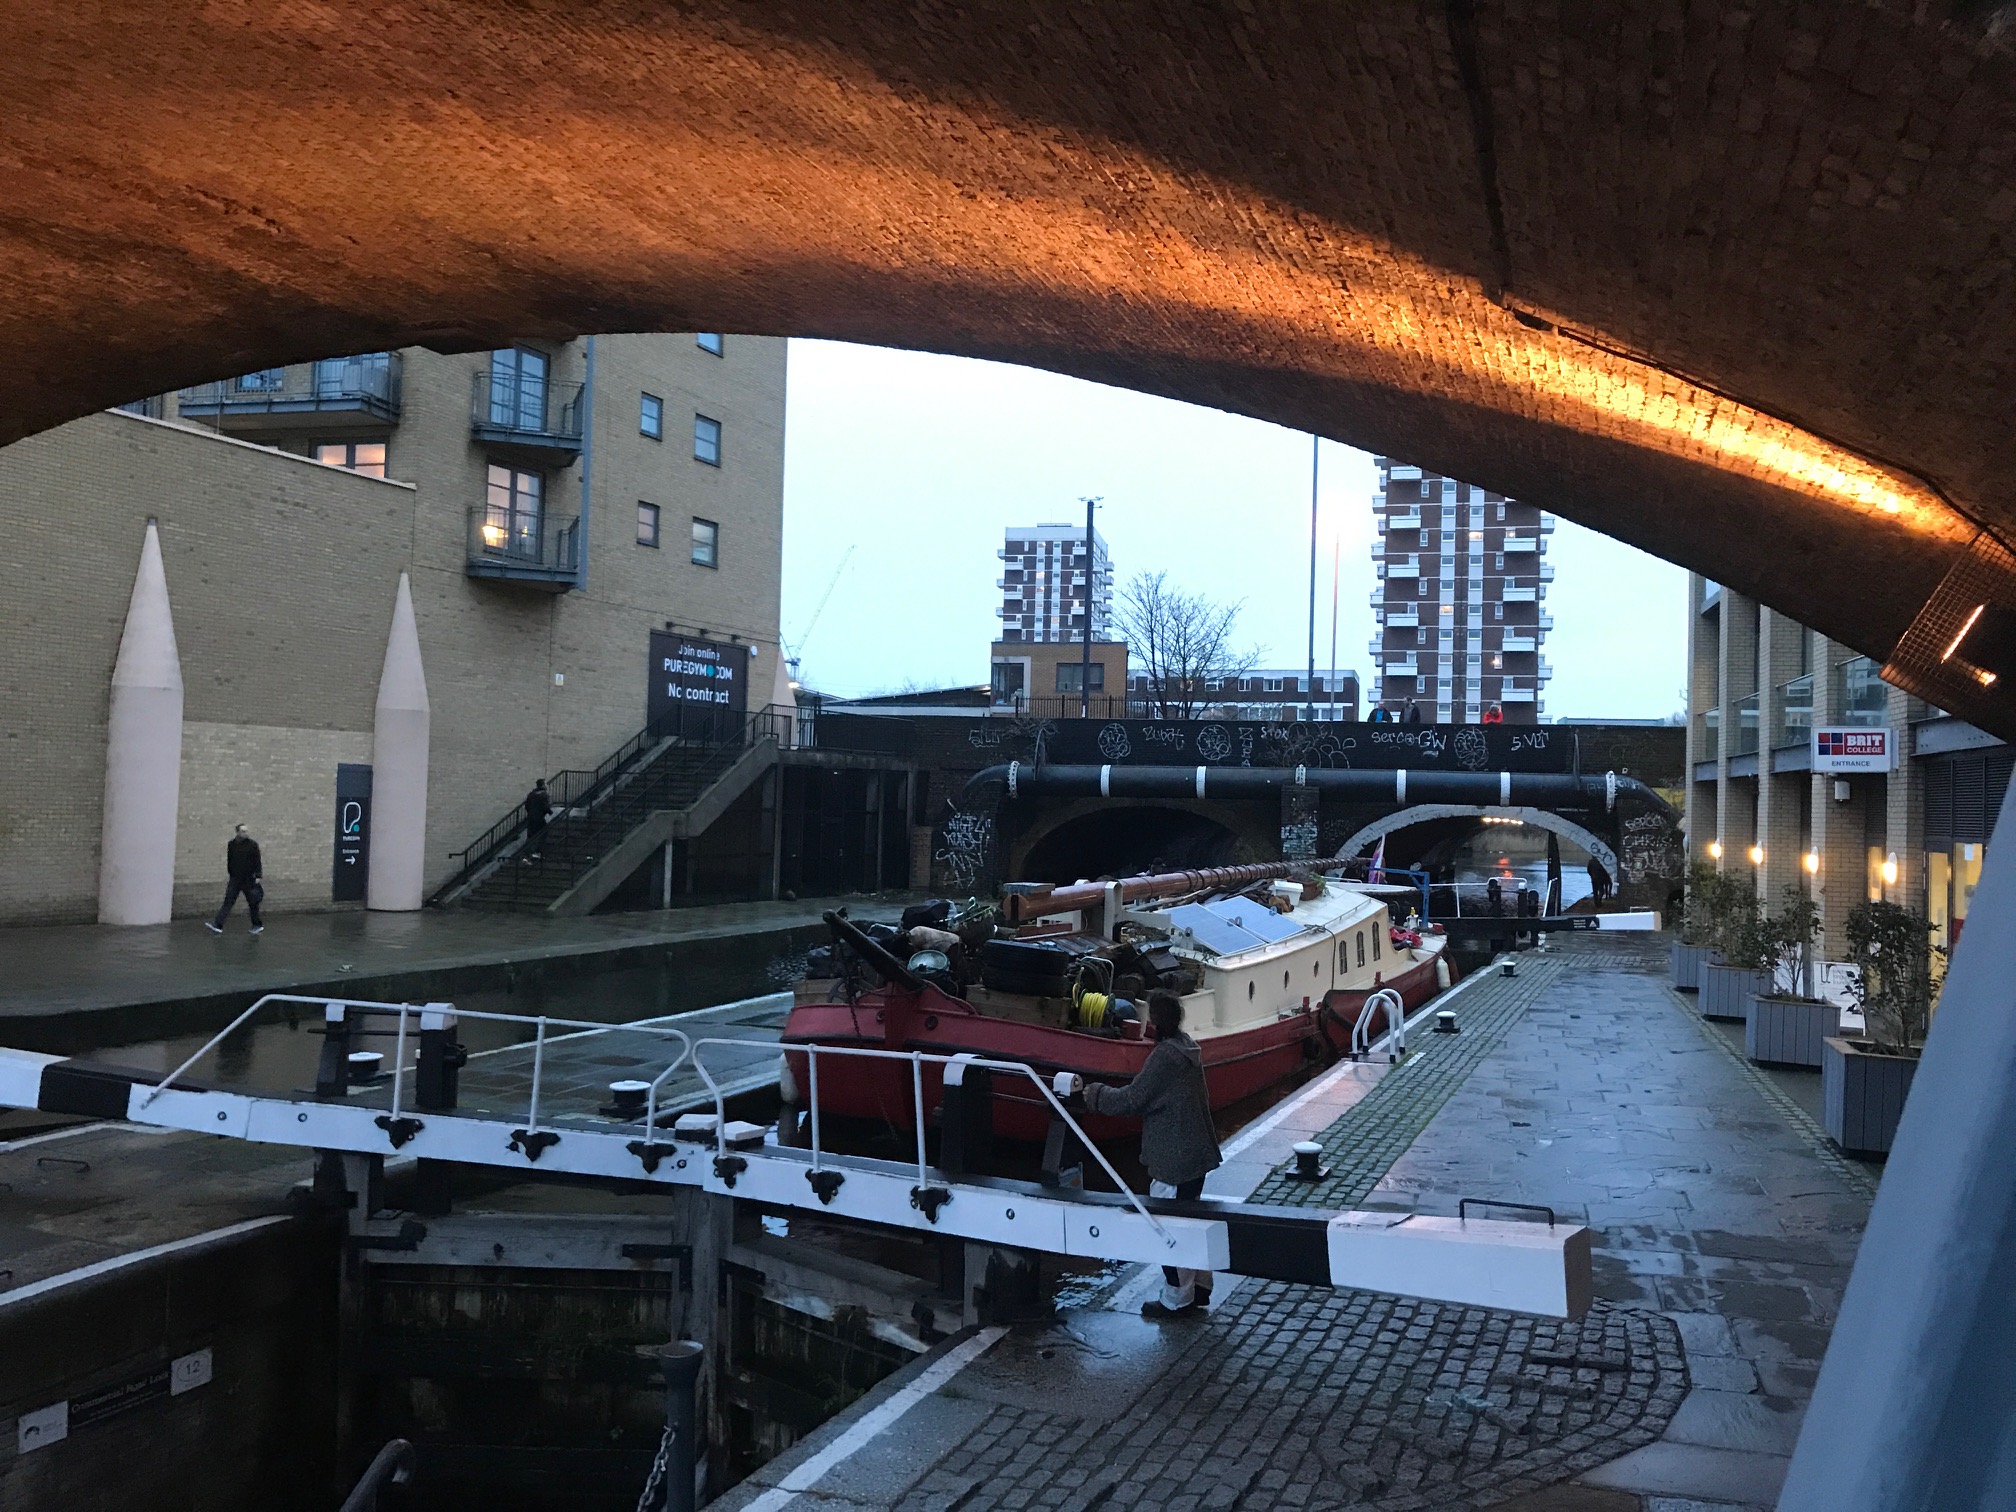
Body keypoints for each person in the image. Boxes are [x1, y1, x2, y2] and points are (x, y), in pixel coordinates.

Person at [1081, 994, 1224, 1319]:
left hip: (1173, 1159)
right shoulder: (1186, 1046)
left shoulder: (1164, 1057)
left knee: (1168, 1231)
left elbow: (1133, 1098)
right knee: (1190, 1223)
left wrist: (1094, 1094)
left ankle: (1176, 1300)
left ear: (1156, 1023)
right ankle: (1200, 1287)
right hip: (1195, 1154)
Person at [205, 824, 264, 935]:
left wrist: (258, 875)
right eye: (243, 831)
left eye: (246, 831)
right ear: (237, 832)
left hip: (248, 879)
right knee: (228, 901)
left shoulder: (252, 845)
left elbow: (257, 861)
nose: (245, 833)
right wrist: (231, 872)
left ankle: (257, 925)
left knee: (253, 903)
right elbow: (230, 859)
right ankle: (218, 925)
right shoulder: (231, 845)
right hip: (235, 879)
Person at [521, 778, 552, 863]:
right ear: (543, 785)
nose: (547, 785)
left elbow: (527, 805)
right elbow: (545, 806)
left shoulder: (531, 794)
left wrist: (531, 813)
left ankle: (527, 854)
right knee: (543, 833)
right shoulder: (544, 795)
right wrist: (550, 812)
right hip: (539, 818)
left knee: (530, 835)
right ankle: (538, 852)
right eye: (546, 784)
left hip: (531, 818)